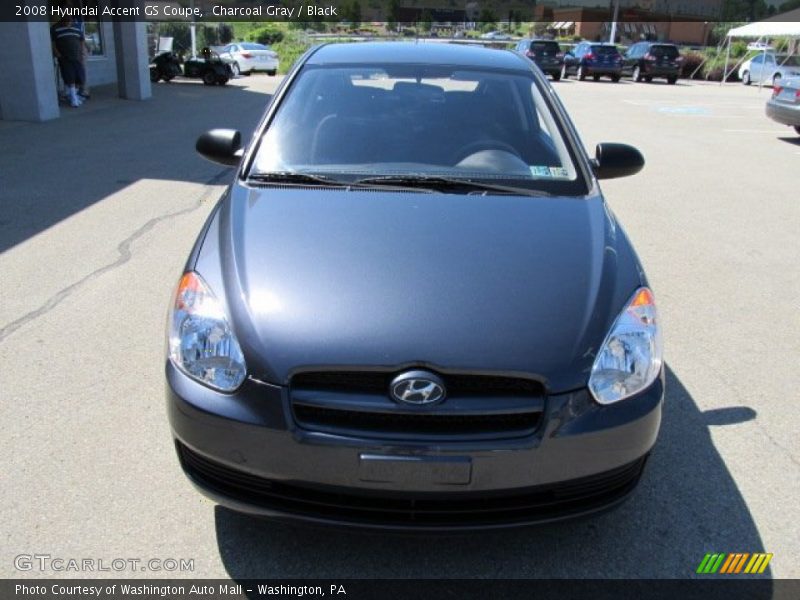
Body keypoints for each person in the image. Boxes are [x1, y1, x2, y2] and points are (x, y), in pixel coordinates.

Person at [51, 16, 86, 107]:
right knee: (70, 77)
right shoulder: (56, 28)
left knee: (80, 77)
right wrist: (57, 53)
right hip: (65, 57)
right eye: (66, 22)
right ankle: (73, 99)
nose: (68, 24)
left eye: (70, 22)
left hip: (77, 57)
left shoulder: (77, 27)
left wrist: (82, 53)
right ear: (62, 21)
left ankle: (73, 95)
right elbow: (53, 42)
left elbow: (82, 40)